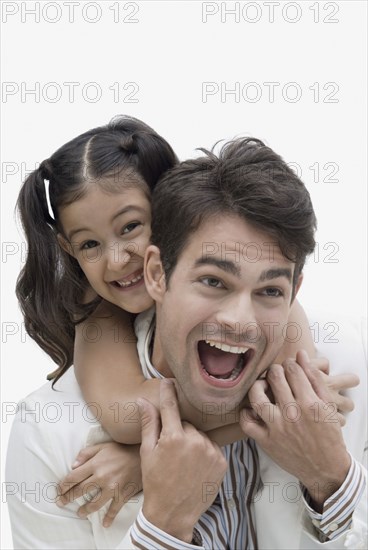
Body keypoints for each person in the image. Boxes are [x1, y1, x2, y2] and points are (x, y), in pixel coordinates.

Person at [6, 135, 366, 548]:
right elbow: (126, 416)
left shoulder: (348, 358)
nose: (120, 259)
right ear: (159, 270)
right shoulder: (49, 432)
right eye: (213, 281)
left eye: (269, 290)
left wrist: (333, 479)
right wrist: (161, 526)